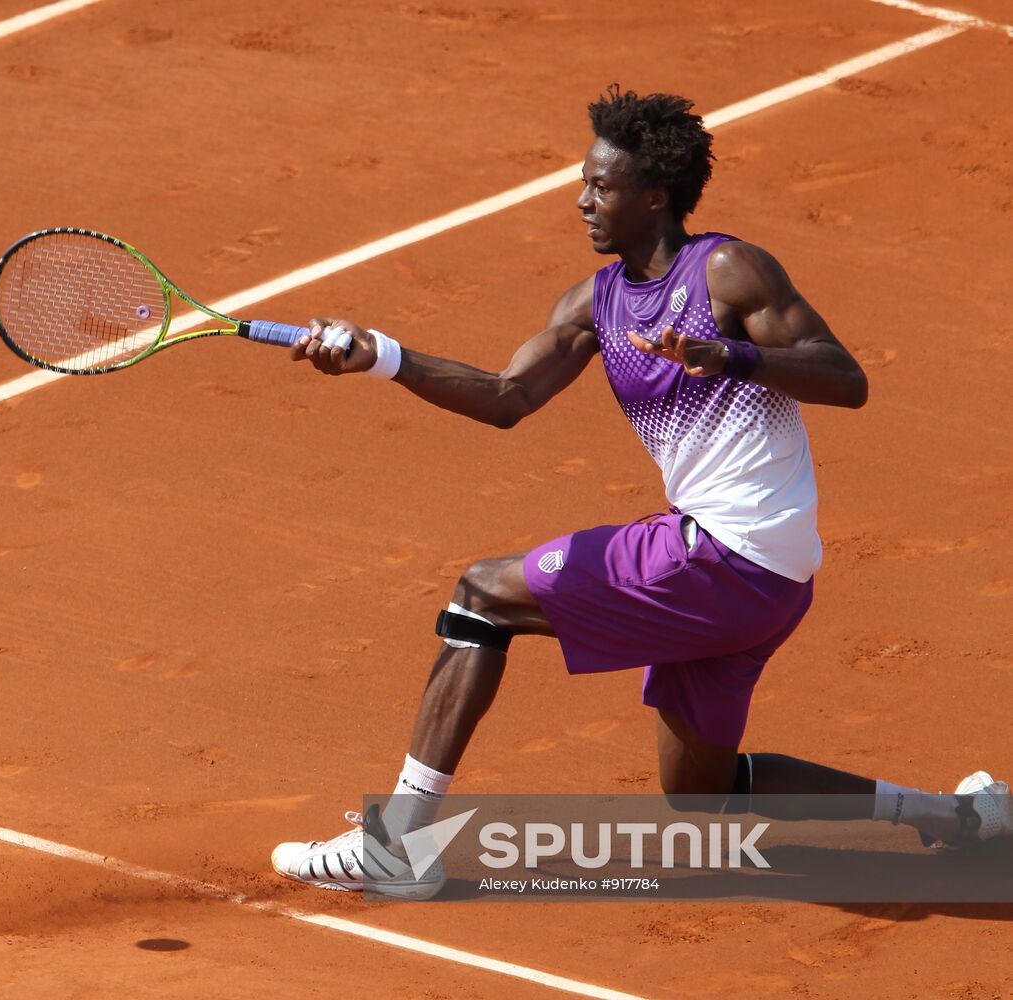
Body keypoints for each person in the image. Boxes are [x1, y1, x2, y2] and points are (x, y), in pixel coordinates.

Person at [269, 86, 1011, 897]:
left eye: (599, 185)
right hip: (768, 578)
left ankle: (397, 844)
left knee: (480, 596)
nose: (581, 199)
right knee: (701, 793)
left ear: (652, 196)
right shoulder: (597, 300)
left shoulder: (727, 270)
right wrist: (384, 356)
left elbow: (846, 379)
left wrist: (730, 357)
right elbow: (506, 398)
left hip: (725, 555)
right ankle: (954, 819)